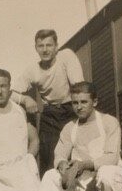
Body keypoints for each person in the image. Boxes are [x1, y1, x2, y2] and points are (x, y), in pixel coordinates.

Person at [34, 81, 122, 191]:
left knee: (108, 173)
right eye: (75, 102)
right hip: (85, 184)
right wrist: (63, 166)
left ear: (94, 102)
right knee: (51, 176)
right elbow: (59, 154)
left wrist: (84, 165)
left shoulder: (109, 122)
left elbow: (112, 157)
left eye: (83, 102)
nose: (79, 107)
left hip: (109, 182)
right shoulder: (70, 128)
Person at [10, 29, 84, 173]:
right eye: (41, 46)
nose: (45, 50)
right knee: (49, 157)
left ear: (56, 47)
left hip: (71, 108)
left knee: (77, 150)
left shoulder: (67, 56)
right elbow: (11, 93)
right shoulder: (33, 69)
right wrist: (25, 99)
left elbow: (78, 86)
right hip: (50, 114)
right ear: (36, 48)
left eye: (49, 45)